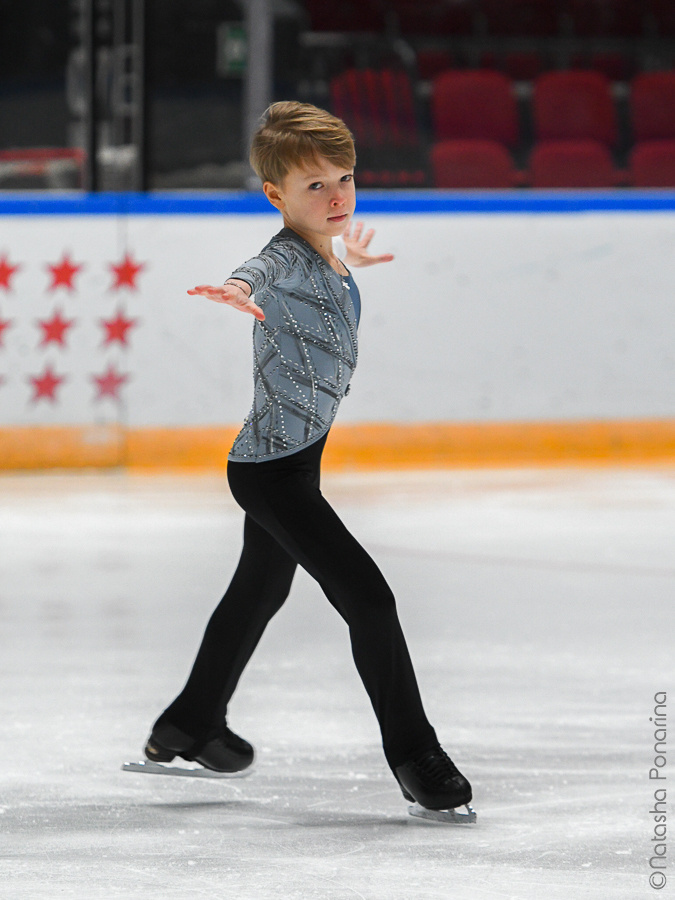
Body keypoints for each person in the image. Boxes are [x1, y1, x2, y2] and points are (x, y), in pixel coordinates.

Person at [142, 101, 472, 814]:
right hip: (271, 474)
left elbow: (318, 272)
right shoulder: (285, 258)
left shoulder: (325, 252)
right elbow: (260, 270)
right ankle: (416, 755)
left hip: (293, 458)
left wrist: (349, 259)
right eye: (314, 186)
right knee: (369, 599)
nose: (336, 196)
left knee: (259, 591)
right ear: (276, 197)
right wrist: (235, 288)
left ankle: (190, 723)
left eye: (344, 178)